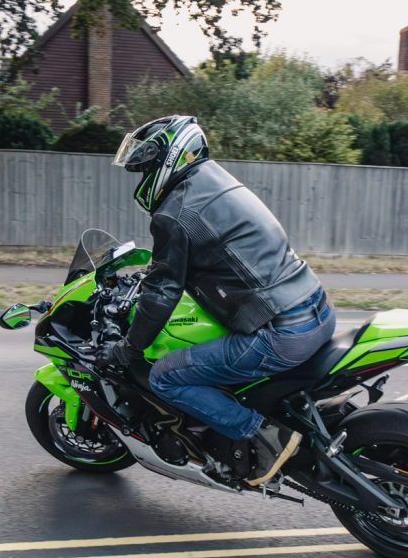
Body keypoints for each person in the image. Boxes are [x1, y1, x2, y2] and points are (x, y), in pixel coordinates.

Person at [99, 115, 335, 486]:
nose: (144, 177)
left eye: (146, 168)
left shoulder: (175, 212)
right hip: (316, 309)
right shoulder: (220, 183)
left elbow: (162, 293)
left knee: (166, 376)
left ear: (170, 158)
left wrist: (128, 349)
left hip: (282, 333)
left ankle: (263, 436)